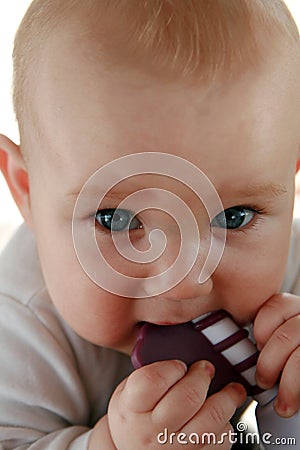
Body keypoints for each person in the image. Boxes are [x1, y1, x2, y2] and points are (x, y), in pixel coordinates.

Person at [0, 0, 299, 448]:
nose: (181, 283)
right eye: (117, 220)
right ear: (26, 189)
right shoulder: (19, 325)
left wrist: (290, 416)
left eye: (232, 218)